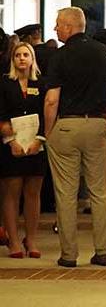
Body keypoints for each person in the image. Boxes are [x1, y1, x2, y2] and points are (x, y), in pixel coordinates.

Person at [44, 7, 106, 268]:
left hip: (66, 126)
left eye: (57, 25)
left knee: (66, 193)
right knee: (100, 192)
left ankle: (68, 255)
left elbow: (52, 99)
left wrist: (48, 131)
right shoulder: (104, 53)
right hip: (97, 124)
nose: (55, 29)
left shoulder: (60, 56)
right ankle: (103, 251)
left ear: (69, 26)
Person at [0, 42, 48, 258]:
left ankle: (32, 239)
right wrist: (10, 140)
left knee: (33, 193)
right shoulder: (4, 83)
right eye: (18, 55)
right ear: (12, 59)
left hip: (36, 145)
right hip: (11, 145)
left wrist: (39, 140)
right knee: (12, 192)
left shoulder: (42, 83)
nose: (21, 58)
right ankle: (14, 240)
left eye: (26, 54)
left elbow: (48, 112)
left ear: (32, 58)